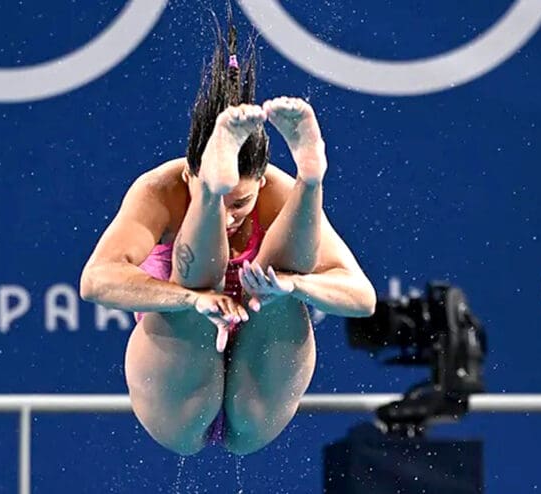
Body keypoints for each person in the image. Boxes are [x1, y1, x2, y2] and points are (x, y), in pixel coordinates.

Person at [79, 20, 376, 456]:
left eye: (240, 204)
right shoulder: (159, 190)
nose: (230, 218)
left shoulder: (277, 190)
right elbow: (95, 282)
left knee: (279, 281)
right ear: (189, 173)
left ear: (258, 183)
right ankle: (203, 248)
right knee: (198, 284)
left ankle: (315, 179)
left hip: (261, 381)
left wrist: (295, 286)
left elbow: (362, 297)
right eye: (218, 197)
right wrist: (191, 300)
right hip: (177, 382)